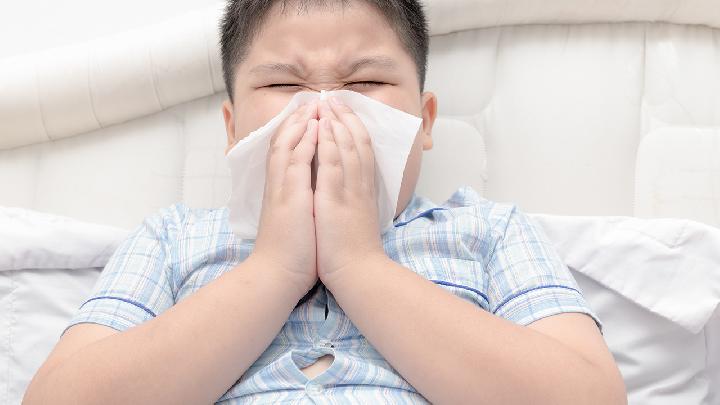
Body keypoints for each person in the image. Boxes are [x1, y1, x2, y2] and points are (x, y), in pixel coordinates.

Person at [24, 0, 627, 404]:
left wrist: (358, 264)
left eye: (365, 82)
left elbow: (590, 396)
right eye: (284, 84)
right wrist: (274, 269)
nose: (324, 108)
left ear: (423, 121)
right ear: (232, 129)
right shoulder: (173, 238)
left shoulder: (489, 232)